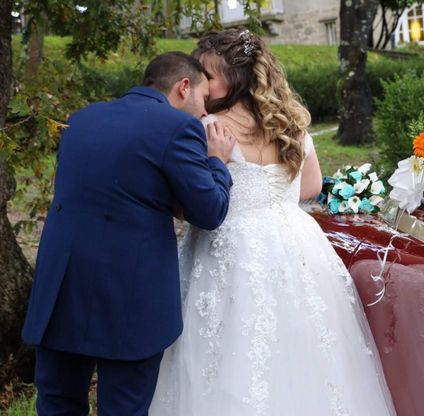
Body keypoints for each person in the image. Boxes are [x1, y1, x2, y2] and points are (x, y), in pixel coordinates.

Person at [150, 29, 396, 415]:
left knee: (228, 353)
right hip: (295, 244)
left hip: (228, 248)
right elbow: (312, 185)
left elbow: (188, 203)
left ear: (234, 77)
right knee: (302, 351)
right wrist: (272, 197)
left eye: (208, 76)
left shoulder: (206, 128)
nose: (201, 85)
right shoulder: (291, 123)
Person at [21, 52, 236, 415]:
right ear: (184, 87)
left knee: (57, 402)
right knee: (124, 408)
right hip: (130, 295)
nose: (204, 112)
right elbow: (210, 211)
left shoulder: (83, 118)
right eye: (203, 98)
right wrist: (217, 161)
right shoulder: (177, 128)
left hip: (61, 286)